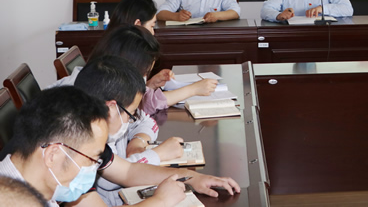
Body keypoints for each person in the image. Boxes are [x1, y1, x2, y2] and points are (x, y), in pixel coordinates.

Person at [73, 56, 239, 206]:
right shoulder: (73, 151)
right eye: (130, 114)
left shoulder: (92, 140)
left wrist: (192, 177)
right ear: (111, 108)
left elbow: (128, 171)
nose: (130, 121)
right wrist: (161, 200)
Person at [0, 86, 184, 207]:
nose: (94, 169)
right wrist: (160, 201)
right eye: (92, 160)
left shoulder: (38, 187)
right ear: (53, 155)